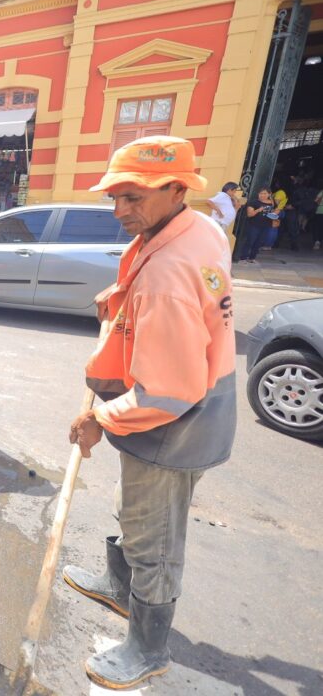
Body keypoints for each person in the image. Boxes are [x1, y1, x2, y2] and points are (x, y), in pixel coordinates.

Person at [63, 136, 235, 690]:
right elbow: (169, 287)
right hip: (189, 402)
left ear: (176, 189)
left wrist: (100, 420)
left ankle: (147, 650)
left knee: (154, 542)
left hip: (174, 425)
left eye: (133, 198)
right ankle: (118, 588)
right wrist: (121, 296)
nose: (119, 212)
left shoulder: (168, 279)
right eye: (114, 197)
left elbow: (167, 394)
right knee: (132, 511)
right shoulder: (198, 228)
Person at [238, 187, 275, 263]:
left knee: (259, 242)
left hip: (266, 225)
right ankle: (243, 258)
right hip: (254, 225)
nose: (262, 195)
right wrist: (258, 210)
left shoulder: (271, 202)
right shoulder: (253, 202)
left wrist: (274, 216)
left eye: (265, 193)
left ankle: (252, 258)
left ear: (269, 194)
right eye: (261, 193)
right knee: (250, 241)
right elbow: (249, 214)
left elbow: (274, 212)